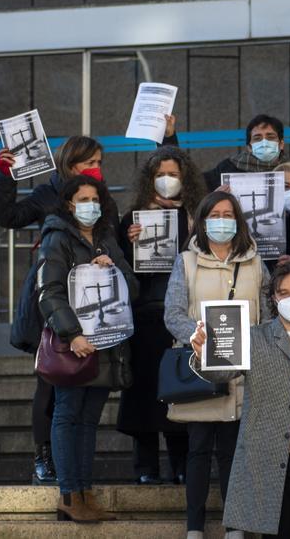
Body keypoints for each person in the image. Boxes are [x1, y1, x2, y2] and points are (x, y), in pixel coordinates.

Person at [187, 262, 290, 538]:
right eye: (283, 292)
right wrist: (201, 353)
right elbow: (222, 373)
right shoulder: (254, 338)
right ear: (274, 298)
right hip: (270, 459)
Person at [0, 135, 113, 485]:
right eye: (91, 162)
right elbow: (10, 215)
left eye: (100, 162)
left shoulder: (101, 198)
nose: (97, 169)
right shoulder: (47, 194)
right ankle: (44, 457)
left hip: (92, 307)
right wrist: (6, 177)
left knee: (83, 392)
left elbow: (112, 238)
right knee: (49, 384)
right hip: (51, 304)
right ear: (72, 164)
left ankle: (72, 464)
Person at [164, 191, 269, 539]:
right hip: (200, 370)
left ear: (238, 220)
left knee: (232, 452)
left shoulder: (255, 263)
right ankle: (194, 526)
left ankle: (234, 525)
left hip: (242, 373)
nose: (222, 220)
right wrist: (193, 333)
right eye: (215, 213)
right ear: (202, 220)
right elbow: (173, 313)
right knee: (198, 450)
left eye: (228, 214)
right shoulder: (186, 262)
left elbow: (268, 316)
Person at [37, 174, 139, 522]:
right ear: (69, 203)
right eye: (83, 199)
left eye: (95, 199)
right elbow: (49, 292)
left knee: (89, 421)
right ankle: (68, 493)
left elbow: (133, 290)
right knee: (67, 415)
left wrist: (115, 273)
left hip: (106, 344)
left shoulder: (108, 237)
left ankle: (85, 493)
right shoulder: (57, 239)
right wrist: (71, 334)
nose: (90, 206)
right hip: (75, 345)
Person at [116, 146, 205, 485]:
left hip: (182, 316)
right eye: (161, 174)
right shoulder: (134, 218)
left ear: (185, 179)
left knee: (179, 389)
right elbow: (124, 270)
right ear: (150, 179)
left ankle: (181, 464)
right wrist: (130, 242)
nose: (168, 181)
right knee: (142, 396)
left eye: (174, 174)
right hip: (144, 317)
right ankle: (145, 467)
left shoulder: (196, 215)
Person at [174, 114, 287, 192]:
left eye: (270, 137)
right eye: (257, 138)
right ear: (249, 147)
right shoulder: (228, 168)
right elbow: (191, 184)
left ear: (281, 144)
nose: (264, 143)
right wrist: (213, 198)